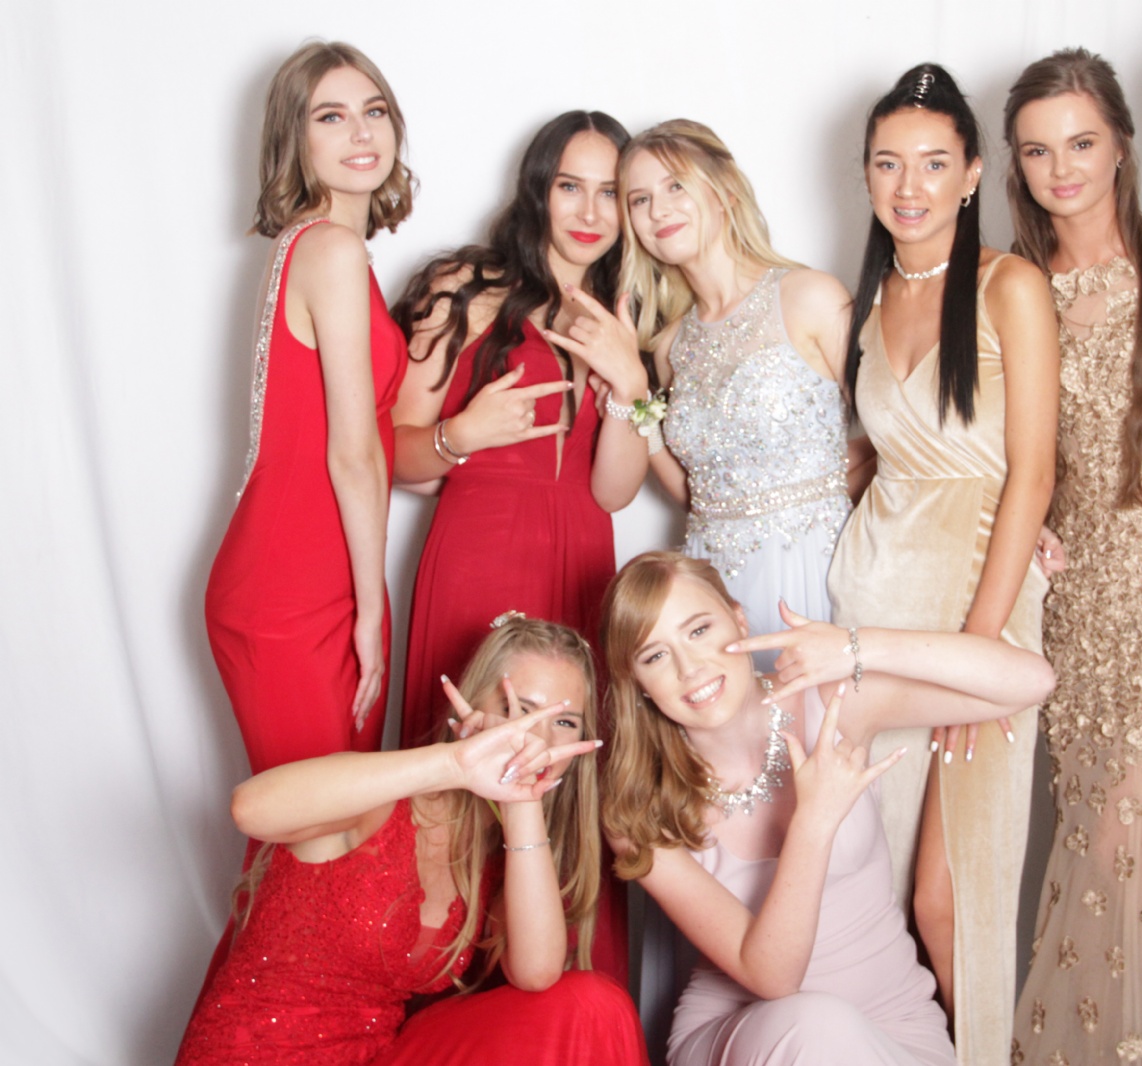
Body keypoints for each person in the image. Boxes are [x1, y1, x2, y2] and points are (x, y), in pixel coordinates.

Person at [587, 551, 1056, 1065]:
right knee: (817, 1025)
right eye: (655, 656)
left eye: (699, 630)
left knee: (832, 1031)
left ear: (738, 619)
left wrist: (856, 647)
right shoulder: (634, 808)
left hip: (895, 1023)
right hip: (746, 1035)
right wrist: (814, 821)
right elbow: (772, 977)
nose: (689, 667)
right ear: (637, 683)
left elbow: (1030, 682)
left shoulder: (830, 701)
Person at [825, 63, 1058, 1064]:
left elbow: (1033, 472)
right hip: (873, 598)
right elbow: (879, 455)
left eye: (932, 163)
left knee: (951, 893)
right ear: (866, 174)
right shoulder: (869, 299)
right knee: (872, 894)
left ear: (971, 174)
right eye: (888, 163)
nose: (908, 185)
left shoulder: (1009, 286)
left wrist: (980, 650)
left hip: (978, 601)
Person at [1001, 49, 1142, 1066]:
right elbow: (986, 444)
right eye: (1038, 150)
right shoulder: (1011, 287)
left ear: (1123, 145)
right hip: (1079, 595)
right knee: (1092, 837)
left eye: (1082, 143)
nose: (1063, 169)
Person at [176, 615, 647, 1065]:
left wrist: (522, 801)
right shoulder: (383, 795)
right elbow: (249, 809)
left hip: (375, 1055)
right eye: (517, 710)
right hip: (248, 1055)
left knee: (594, 1004)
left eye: (564, 723)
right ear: (470, 704)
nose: (535, 740)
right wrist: (454, 763)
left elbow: (537, 972)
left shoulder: (502, 857)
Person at [391, 110, 648, 750]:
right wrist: (462, 435)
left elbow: (613, 493)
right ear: (538, 190)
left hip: (585, 563)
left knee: (566, 766)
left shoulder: (627, 313)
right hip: (479, 557)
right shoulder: (465, 291)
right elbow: (390, 455)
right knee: (464, 757)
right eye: (569, 187)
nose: (589, 212)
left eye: (610, 192)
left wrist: (630, 385)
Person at [205, 41, 411, 773]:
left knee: (344, 820)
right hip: (293, 591)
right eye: (331, 116)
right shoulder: (330, 251)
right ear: (295, 137)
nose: (361, 132)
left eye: (374, 111)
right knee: (317, 824)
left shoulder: (324, 249)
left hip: (320, 577)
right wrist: (372, 609)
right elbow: (352, 453)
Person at [617, 120, 855, 667]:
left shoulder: (811, 297)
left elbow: (897, 437)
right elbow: (695, 493)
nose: (658, 210)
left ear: (724, 191)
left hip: (814, 567)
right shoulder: (671, 346)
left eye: (676, 186)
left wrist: (821, 490)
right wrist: (633, 393)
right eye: (640, 199)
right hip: (713, 582)